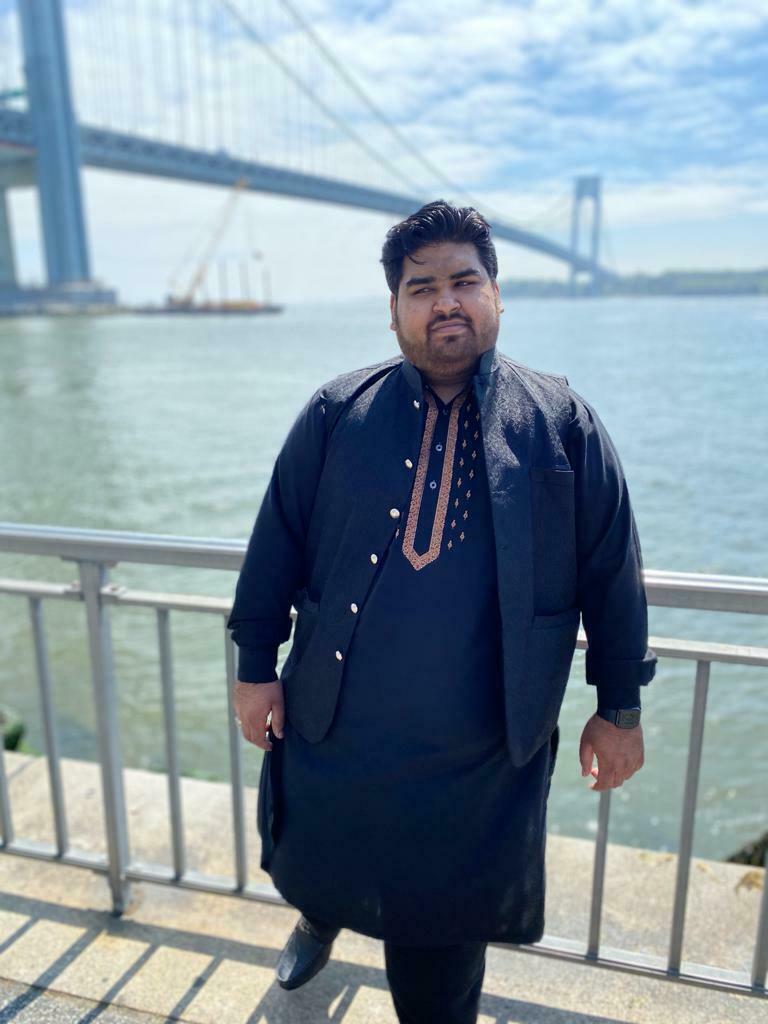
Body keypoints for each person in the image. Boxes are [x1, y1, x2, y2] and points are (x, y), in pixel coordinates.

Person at [227, 200, 657, 1023]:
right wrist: (254, 670)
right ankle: (320, 918)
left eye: (464, 281)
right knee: (323, 850)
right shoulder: (336, 412)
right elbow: (275, 543)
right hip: (337, 719)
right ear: (393, 310)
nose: (445, 302)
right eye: (421, 288)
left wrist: (620, 709)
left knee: (440, 946)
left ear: (497, 294)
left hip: (478, 750)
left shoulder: (561, 424)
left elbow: (613, 573)